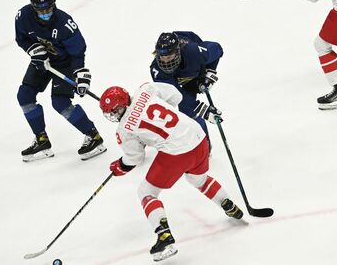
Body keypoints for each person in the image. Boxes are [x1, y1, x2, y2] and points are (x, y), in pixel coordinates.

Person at [100, 82, 244, 262]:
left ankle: (164, 237)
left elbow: (135, 158)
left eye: (116, 110)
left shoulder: (124, 130)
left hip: (177, 152)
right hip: (198, 137)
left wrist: (120, 165)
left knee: (146, 192)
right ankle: (228, 204)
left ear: (123, 103)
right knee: (198, 180)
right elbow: (176, 95)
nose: (114, 115)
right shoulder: (145, 89)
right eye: (111, 112)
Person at [15, 0, 105, 162]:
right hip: (42, 60)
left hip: (65, 64)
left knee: (60, 102)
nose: (45, 13)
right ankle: (41, 139)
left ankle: (93, 136)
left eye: (48, 9)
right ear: (33, 8)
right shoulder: (23, 16)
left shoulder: (65, 24)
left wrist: (80, 74)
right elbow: (22, 38)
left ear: (54, 4)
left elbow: (78, 52)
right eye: (40, 10)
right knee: (24, 95)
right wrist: (33, 49)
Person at [150, 31, 223, 137]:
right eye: (162, 57)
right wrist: (202, 110)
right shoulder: (157, 71)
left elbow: (218, 49)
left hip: (195, 70)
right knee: (188, 112)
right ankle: (203, 147)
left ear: (178, 51)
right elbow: (177, 96)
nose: (166, 62)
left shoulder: (194, 52)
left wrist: (210, 72)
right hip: (177, 82)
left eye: (169, 56)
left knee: (189, 110)